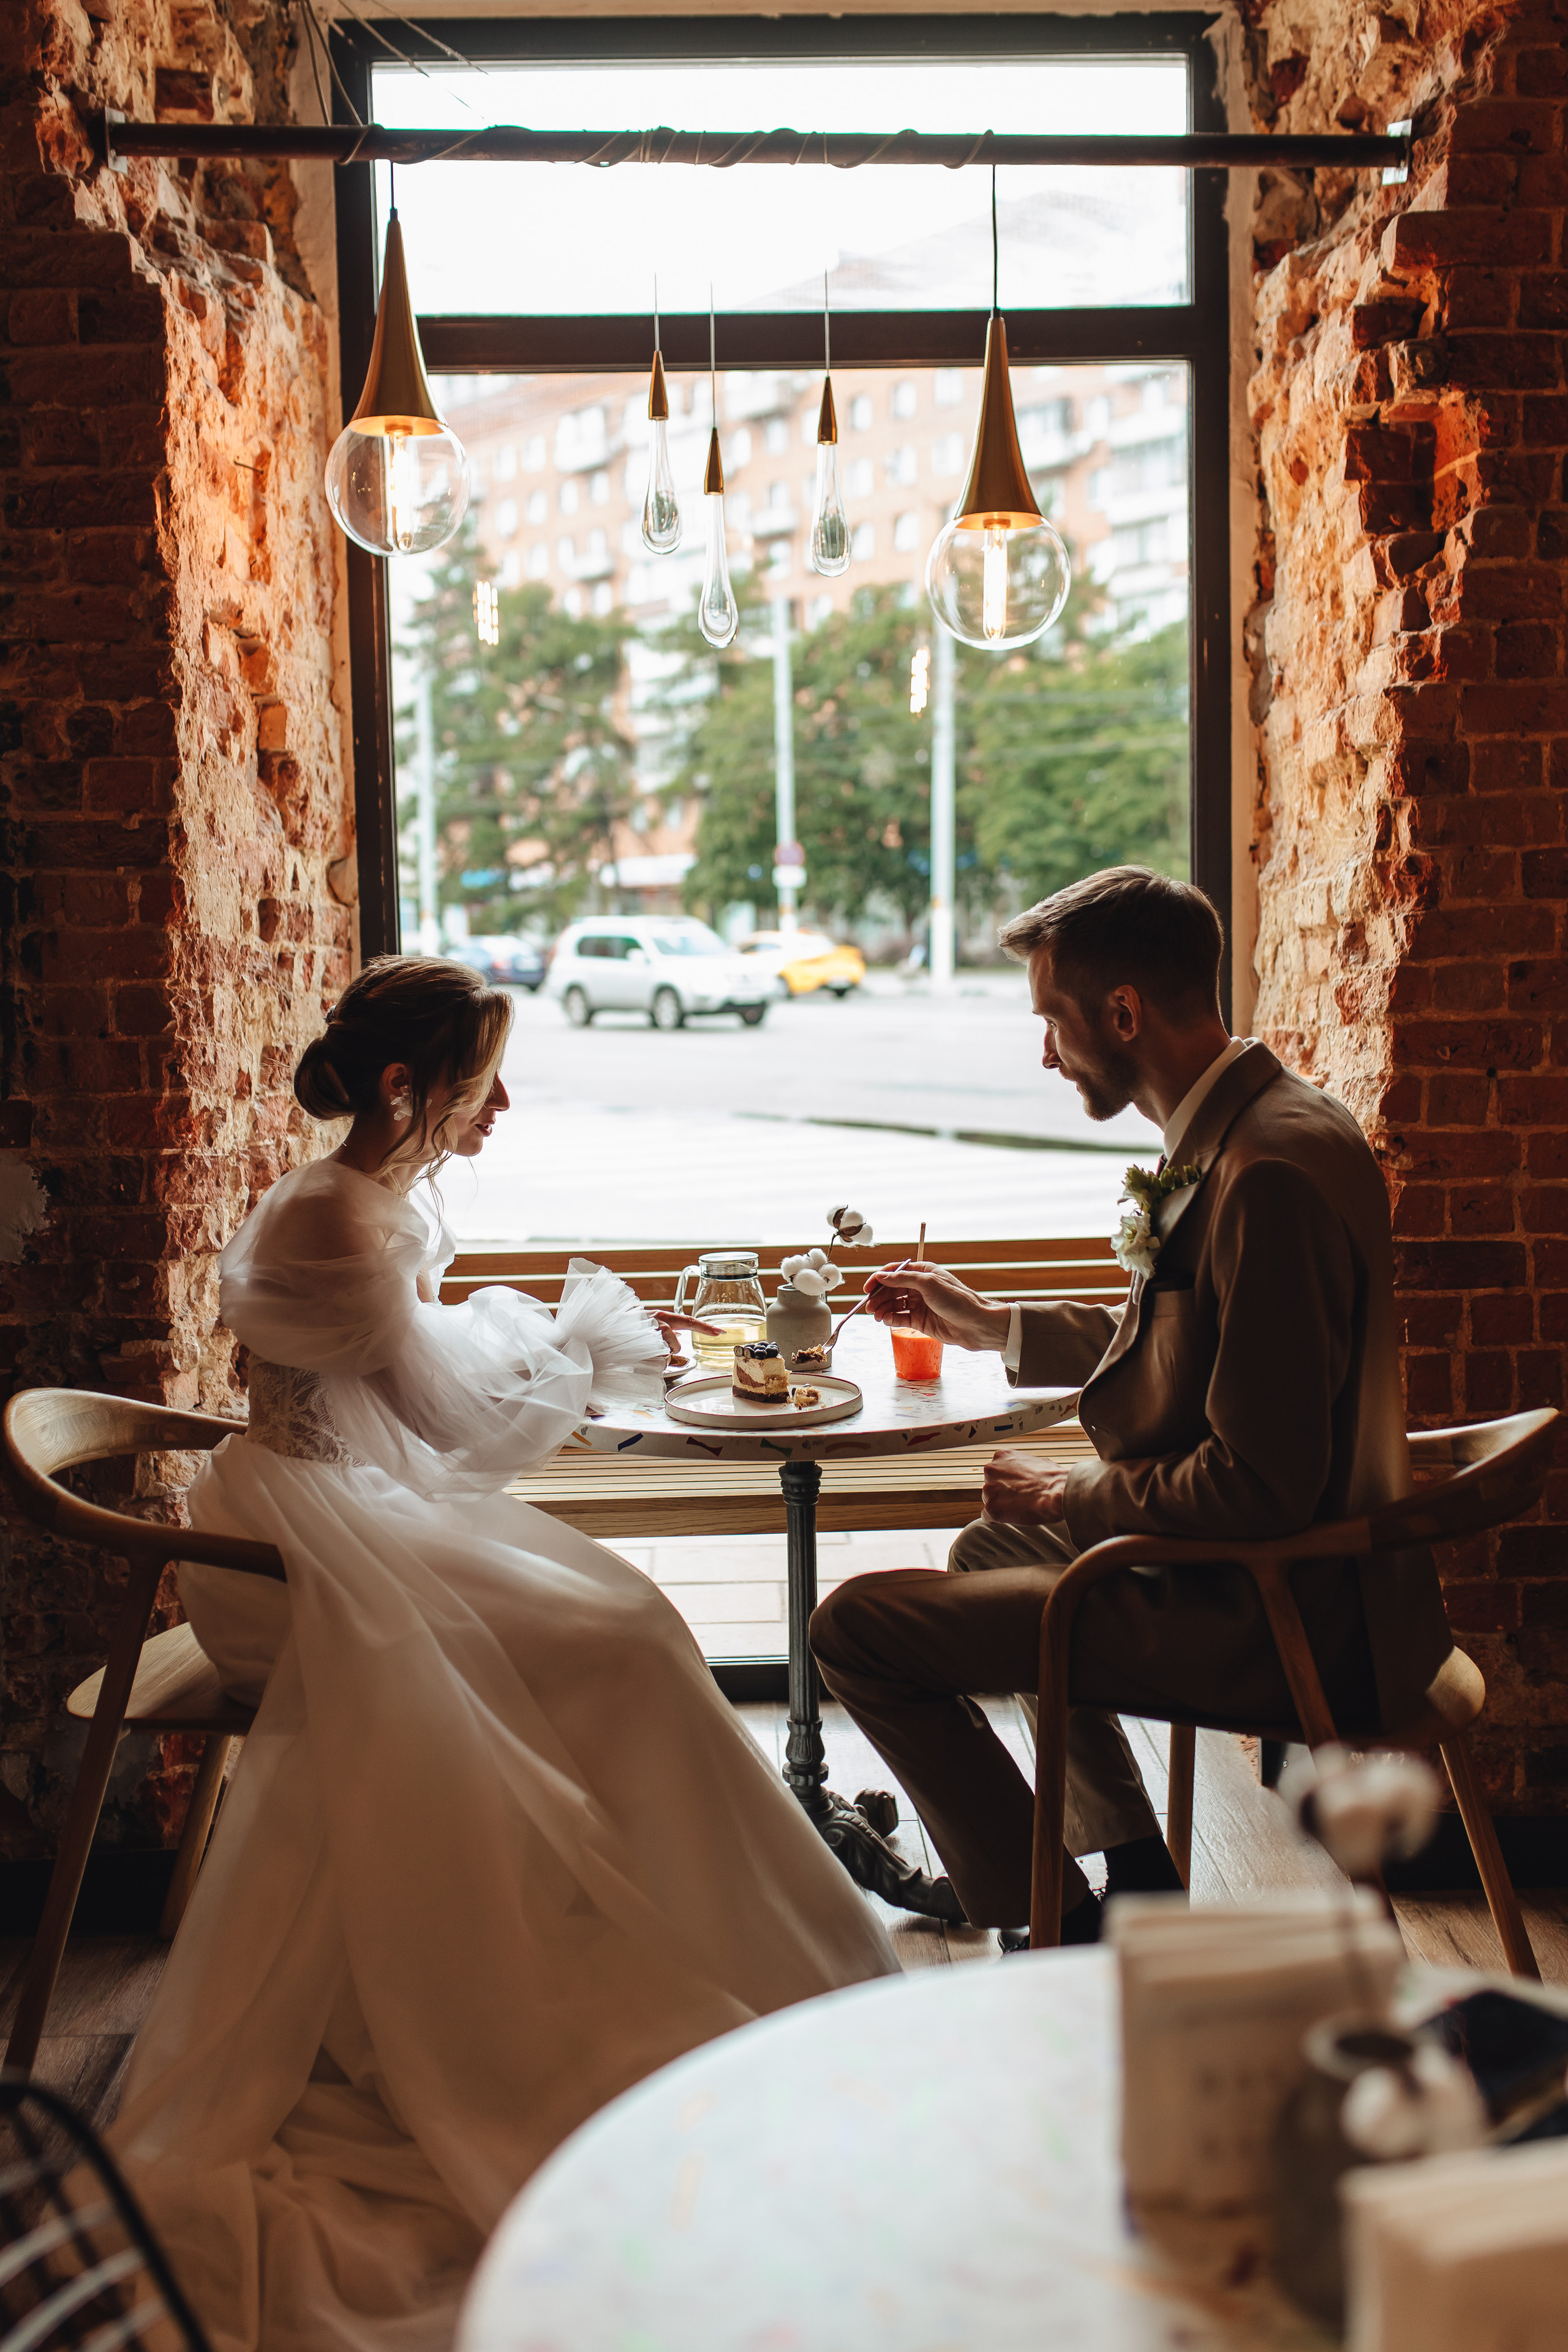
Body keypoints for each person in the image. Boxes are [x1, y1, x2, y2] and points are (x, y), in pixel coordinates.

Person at [111, 956, 897, 2352]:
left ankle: (685, 1930)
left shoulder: (360, 1204)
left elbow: (414, 1408)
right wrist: (585, 1354)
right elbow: (458, 1436)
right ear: (408, 1089)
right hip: (293, 1555)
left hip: (343, 1508)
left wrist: (555, 1354)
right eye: (482, 1083)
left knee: (623, 1624)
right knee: (618, 1641)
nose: (503, 1104)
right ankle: (585, 1973)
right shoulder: (332, 1223)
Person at [811, 867, 1452, 1945]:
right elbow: (1191, 1338)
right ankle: (1136, 1869)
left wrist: (1074, 1488)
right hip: (1287, 1577)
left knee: (855, 1631)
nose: (1048, 1054)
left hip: (1282, 1613)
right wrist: (993, 1326)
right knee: (989, 1550)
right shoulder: (1262, 1128)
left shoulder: (1267, 1175)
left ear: (1123, 1012)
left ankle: (1052, 1921)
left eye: (1054, 1023)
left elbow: (1260, 1482)